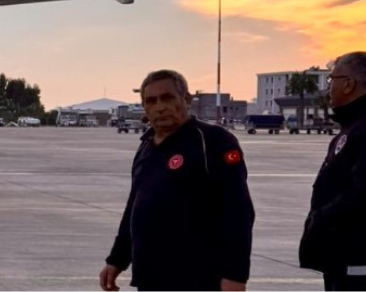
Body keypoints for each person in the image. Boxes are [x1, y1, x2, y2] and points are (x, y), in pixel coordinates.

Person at [99, 70, 254, 291]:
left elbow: (238, 212)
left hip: (198, 278)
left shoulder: (213, 141)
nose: (160, 107)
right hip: (150, 278)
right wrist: (117, 259)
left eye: (168, 98)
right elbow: (134, 207)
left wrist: (235, 275)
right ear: (145, 108)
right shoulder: (146, 147)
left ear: (186, 100)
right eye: (151, 101)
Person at [300, 51, 366, 290]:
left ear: (349, 84)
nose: (328, 87)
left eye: (332, 80)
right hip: (342, 258)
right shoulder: (354, 125)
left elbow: (364, 192)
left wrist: (322, 218)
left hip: (360, 260)